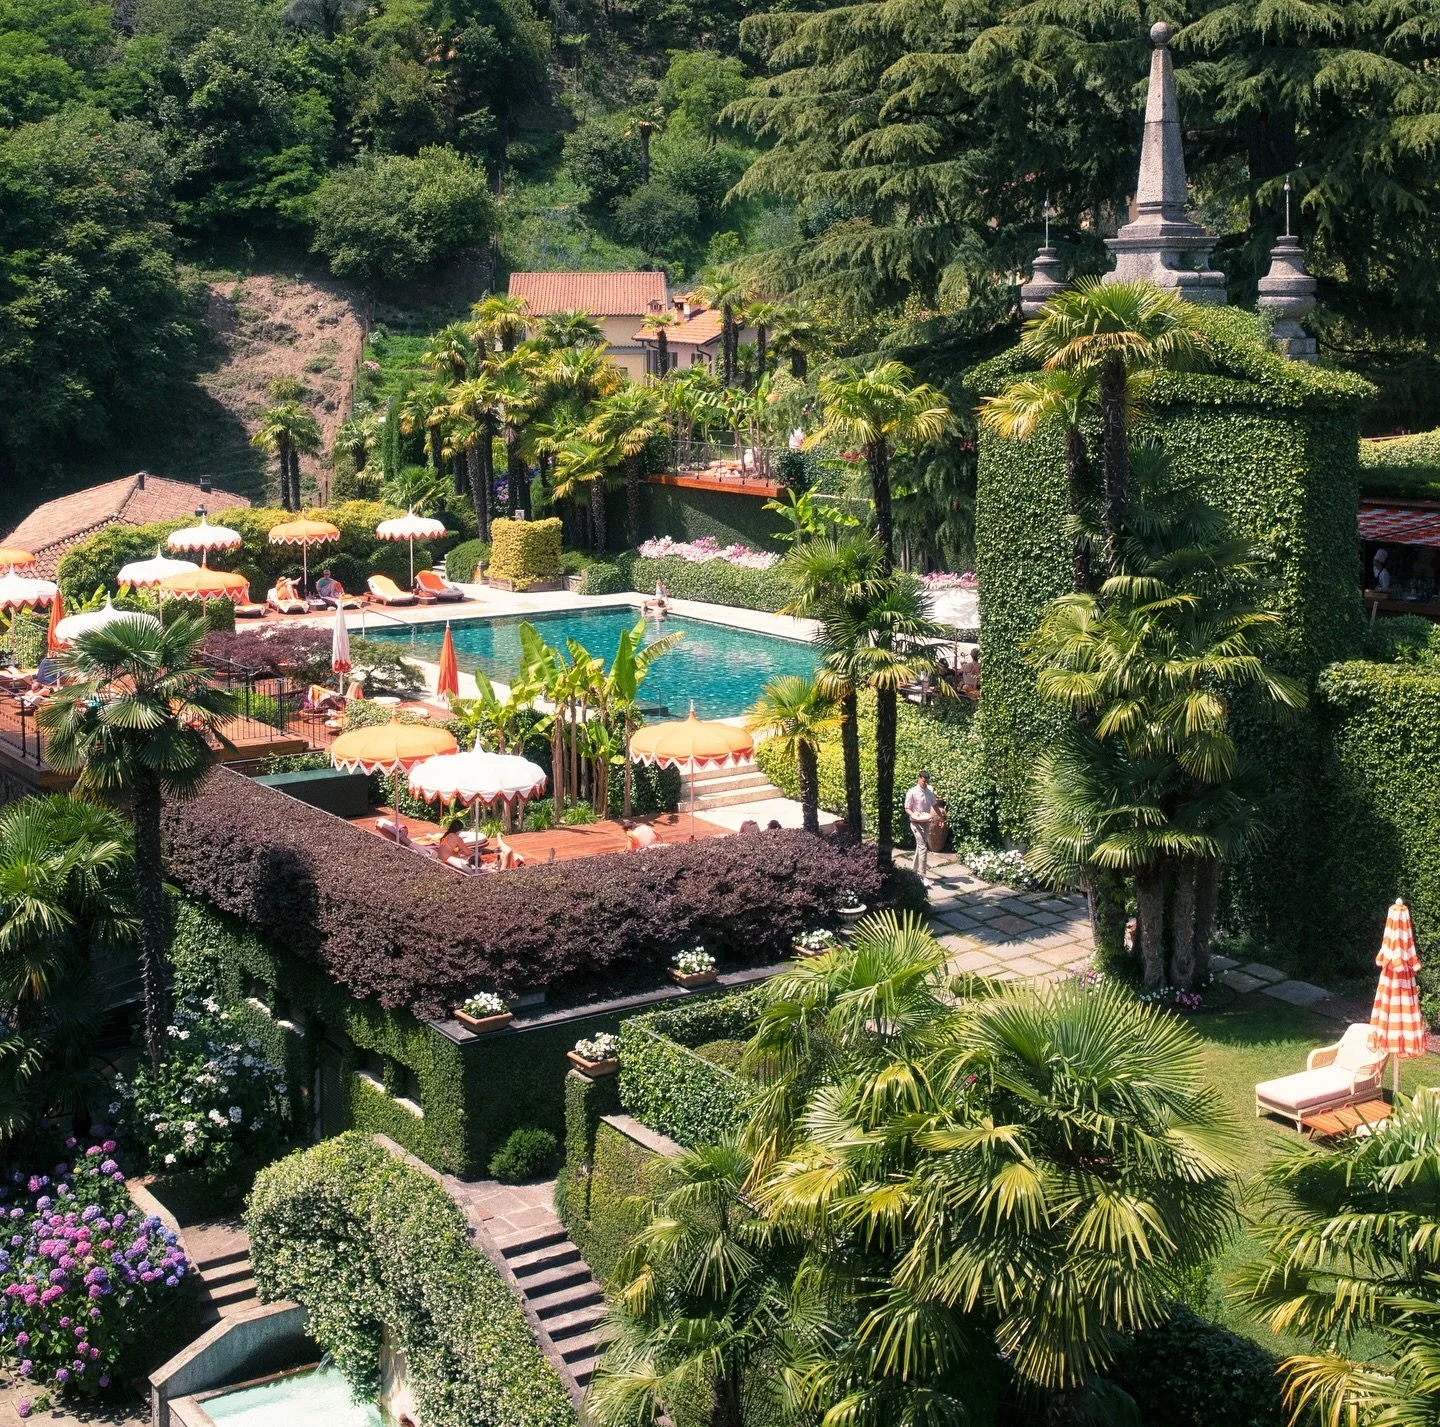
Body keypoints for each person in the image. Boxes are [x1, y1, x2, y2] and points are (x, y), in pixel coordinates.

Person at [904, 771, 937, 880]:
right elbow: (907, 808)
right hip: (915, 823)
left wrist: (939, 818)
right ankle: (922, 876)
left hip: (926, 822)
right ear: (919, 779)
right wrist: (914, 815)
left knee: (920, 847)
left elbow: (934, 804)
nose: (925, 783)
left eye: (927, 781)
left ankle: (912, 872)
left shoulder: (930, 790)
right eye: (923, 781)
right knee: (923, 847)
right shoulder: (912, 792)